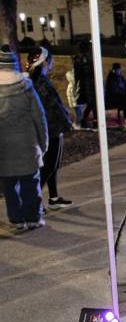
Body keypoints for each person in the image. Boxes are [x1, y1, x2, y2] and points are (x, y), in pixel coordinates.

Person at [0, 45, 48, 230]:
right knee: (31, 183)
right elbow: (39, 118)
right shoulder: (27, 88)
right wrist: (43, 144)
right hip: (28, 145)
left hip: (4, 148)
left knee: (10, 187)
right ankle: (34, 218)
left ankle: (17, 220)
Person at [27, 47, 74, 210]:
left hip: (51, 128)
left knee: (53, 164)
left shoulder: (38, 80)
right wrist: (66, 121)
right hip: (51, 128)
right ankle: (33, 201)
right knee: (49, 166)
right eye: (51, 60)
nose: (52, 63)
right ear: (45, 61)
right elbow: (52, 107)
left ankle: (53, 198)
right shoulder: (41, 82)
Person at [74, 41, 96, 129]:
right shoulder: (84, 59)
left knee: (92, 104)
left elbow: (77, 74)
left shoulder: (82, 59)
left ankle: (85, 120)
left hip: (88, 83)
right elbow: (79, 73)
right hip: (88, 84)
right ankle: (94, 122)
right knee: (92, 103)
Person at [66, 56, 84, 129]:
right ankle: (77, 124)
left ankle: (77, 123)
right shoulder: (72, 74)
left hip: (75, 91)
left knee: (78, 110)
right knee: (78, 110)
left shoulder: (72, 73)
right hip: (74, 92)